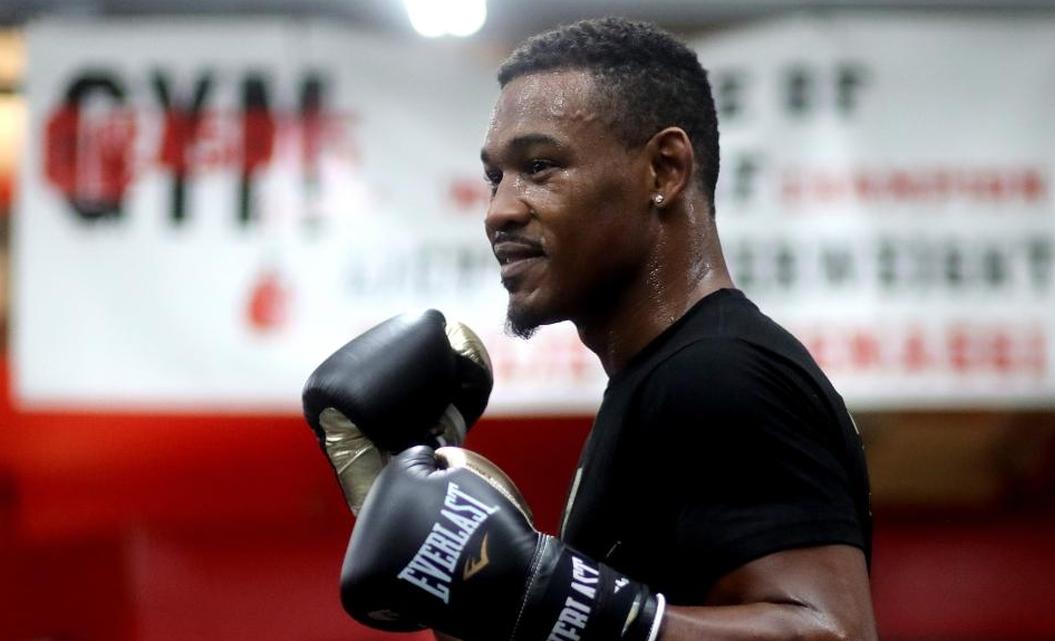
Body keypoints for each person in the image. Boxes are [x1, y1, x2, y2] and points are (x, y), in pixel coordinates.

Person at [304, 16, 876, 641]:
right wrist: (463, 586)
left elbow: (832, 633)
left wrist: (560, 601)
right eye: (495, 177)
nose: (499, 210)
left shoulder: (717, 374)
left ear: (664, 170)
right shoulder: (652, 386)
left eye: (540, 166)